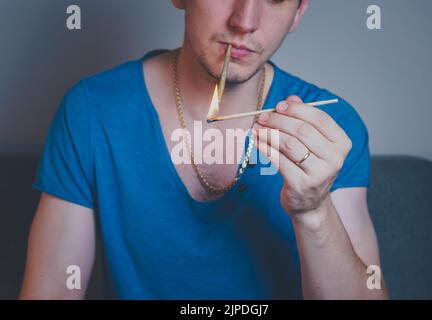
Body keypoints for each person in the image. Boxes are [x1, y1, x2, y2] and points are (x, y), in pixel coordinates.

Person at [20, 0, 388, 299]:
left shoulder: (330, 125)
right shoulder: (93, 109)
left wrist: (313, 210)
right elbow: (51, 288)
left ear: (298, 13)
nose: (245, 21)